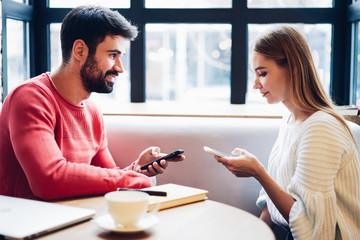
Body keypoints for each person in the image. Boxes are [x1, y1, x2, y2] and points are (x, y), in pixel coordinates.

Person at [0, 5, 184, 200]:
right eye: (112, 55)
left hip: (71, 217)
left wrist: (137, 170)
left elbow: (106, 175)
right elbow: (49, 180)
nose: (120, 68)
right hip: (26, 224)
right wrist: (134, 180)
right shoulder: (30, 98)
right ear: (80, 51)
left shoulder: (92, 112)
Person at [213, 25, 360, 239]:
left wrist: (258, 173)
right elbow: (277, 198)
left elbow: (313, 229)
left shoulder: (321, 128)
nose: (255, 84)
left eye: (262, 73)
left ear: (292, 67)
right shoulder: (291, 121)